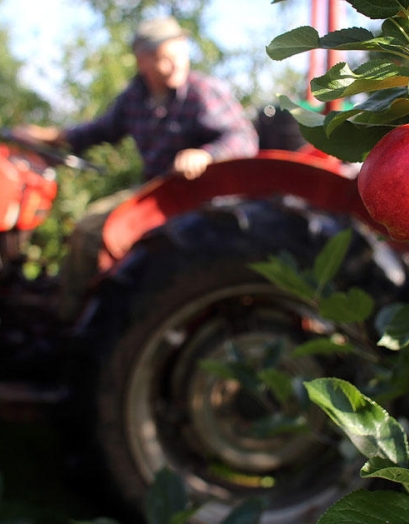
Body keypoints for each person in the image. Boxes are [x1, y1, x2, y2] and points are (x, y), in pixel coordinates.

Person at [13, 16, 259, 320]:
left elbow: (244, 137)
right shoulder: (135, 97)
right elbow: (98, 131)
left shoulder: (202, 92)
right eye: (163, 59)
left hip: (198, 193)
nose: (174, 66)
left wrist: (206, 155)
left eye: (180, 55)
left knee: (91, 230)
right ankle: (82, 308)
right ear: (142, 61)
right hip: (158, 190)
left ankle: (68, 321)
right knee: (88, 230)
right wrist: (48, 136)